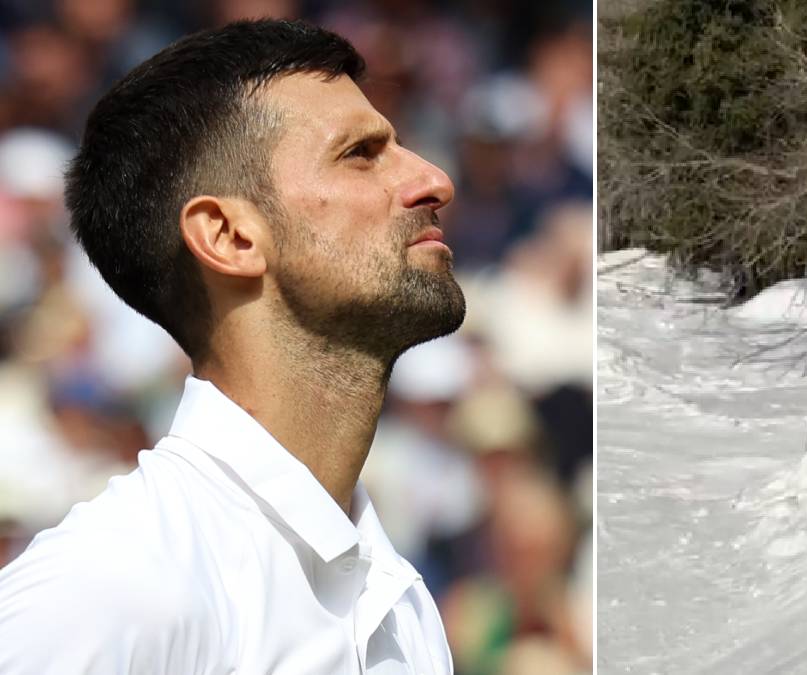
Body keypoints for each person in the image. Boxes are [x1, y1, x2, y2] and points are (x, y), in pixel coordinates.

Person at [0, 19, 466, 673]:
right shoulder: (109, 588)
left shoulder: (400, 599)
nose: (434, 180)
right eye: (361, 152)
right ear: (229, 235)